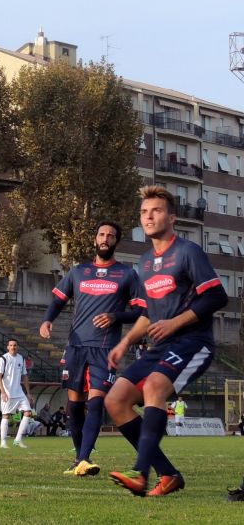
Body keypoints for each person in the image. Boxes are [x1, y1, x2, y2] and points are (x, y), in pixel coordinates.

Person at [106, 186, 228, 497]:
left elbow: (216, 296)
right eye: (144, 212)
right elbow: (147, 313)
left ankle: (140, 472)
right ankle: (168, 474)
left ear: (171, 217)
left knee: (153, 388)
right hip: (158, 347)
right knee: (115, 400)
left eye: (156, 211)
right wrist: (125, 342)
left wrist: (176, 321)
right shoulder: (145, 263)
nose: (149, 216)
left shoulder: (188, 251)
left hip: (193, 342)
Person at [39, 220, 141, 477]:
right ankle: (78, 457)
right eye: (102, 234)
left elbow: (141, 311)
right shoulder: (78, 272)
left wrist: (116, 316)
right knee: (74, 406)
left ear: (116, 241)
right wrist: (47, 320)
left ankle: (84, 458)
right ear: (95, 239)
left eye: (111, 235)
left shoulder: (127, 274)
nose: (105, 238)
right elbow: (58, 300)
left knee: (96, 404)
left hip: (104, 350)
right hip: (75, 347)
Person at [0, 339, 33, 449]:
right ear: (8, 347)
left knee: (28, 412)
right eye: (11, 345)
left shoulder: (21, 358)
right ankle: (3, 442)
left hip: (19, 392)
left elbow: (25, 376)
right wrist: (3, 392)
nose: (13, 347)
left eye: (15, 345)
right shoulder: (3, 358)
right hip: (8, 393)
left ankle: (17, 440)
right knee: (6, 416)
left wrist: (28, 393)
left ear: (17, 347)